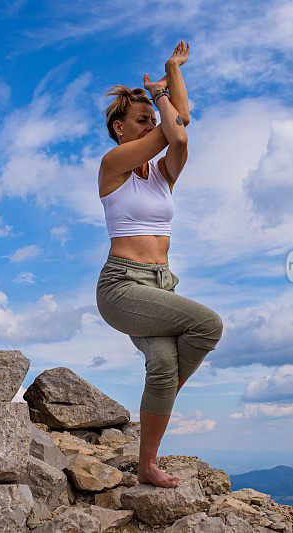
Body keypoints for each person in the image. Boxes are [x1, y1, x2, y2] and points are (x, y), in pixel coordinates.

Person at [95, 41, 224, 488]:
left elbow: (179, 129)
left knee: (165, 365)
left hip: (159, 287)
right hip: (122, 288)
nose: (152, 122)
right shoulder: (113, 165)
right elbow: (178, 130)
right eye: (142, 119)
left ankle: (146, 463)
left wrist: (171, 74)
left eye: (152, 118)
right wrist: (161, 92)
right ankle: (161, 403)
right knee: (208, 324)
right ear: (118, 128)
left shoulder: (163, 175)